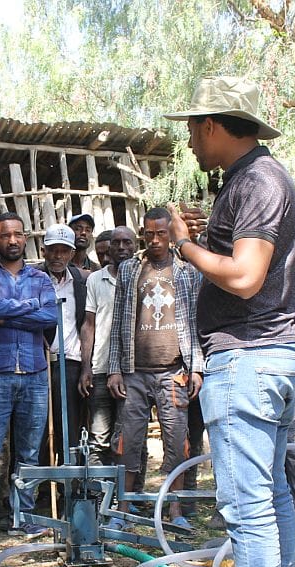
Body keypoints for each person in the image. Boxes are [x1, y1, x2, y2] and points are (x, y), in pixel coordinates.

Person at [165, 75, 295, 567]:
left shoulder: (259, 181)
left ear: (212, 125)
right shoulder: (249, 180)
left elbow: (246, 278)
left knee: (249, 512)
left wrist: (184, 245)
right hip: (265, 355)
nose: (192, 145)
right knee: (271, 502)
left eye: (194, 132)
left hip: (248, 356)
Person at [106, 207, 203, 529]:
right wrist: (115, 369)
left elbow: (197, 321)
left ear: (171, 234)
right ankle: (125, 508)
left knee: (178, 441)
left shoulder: (187, 270)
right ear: (142, 234)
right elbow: (119, 320)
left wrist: (197, 367)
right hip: (135, 371)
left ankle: (173, 511)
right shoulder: (131, 269)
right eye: (149, 234)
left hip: (175, 370)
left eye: (162, 233)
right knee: (128, 441)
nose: (155, 240)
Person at [0, 212, 58, 549]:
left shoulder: (40, 278)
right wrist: (29, 310)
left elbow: (51, 316)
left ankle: (24, 520)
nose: (12, 240)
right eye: (5, 235)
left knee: (29, 455)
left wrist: (10, 313)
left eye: (18, 234)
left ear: (25, 238)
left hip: (34, 375)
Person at [79, 227, 136, 466]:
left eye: (127, 243)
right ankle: (98, 496)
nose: (121, 248)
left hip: (133, 370)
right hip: (101, 367)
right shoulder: (95, 279)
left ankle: (129, 497)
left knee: (131, 436)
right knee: (99, 437)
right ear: (108, 247)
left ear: (135, 245)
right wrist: (85, 367)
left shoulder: (142, 276)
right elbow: (88, 325)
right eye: (116, 243)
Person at [35, 224, 87, 463]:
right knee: (42, 427)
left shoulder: (81, 280)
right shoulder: (32, 277)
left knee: (70, 427)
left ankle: (72, 489)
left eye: (64, 251)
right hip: (40, 363)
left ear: (72, 252)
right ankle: (46, 489)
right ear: (43, 250)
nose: (58, 256)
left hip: (71, 364)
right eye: (53, 250)